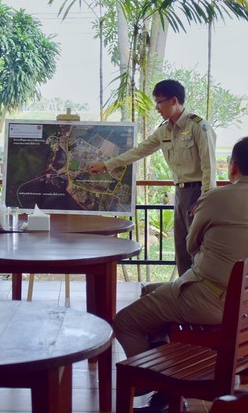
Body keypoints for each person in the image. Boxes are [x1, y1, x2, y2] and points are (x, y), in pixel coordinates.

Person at [114, 136, 248, 413]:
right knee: (150, 290)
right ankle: (166, 375)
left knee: (124, 322)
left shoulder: (215, 198)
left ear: (233, 166)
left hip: (206, 298)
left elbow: (190, 244)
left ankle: (158, 383)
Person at [89, 79, 217, 276]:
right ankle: (182, 291)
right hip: (180, 193)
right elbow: (138, 151)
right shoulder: (164, 130)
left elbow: (209, 167)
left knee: (197, 248)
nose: (157, 108)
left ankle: (199, 292)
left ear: (174, 100)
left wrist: (205, 200)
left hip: (198, 194)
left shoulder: (198, 127)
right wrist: (106, 165)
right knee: (181, 248)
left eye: (160, 102)